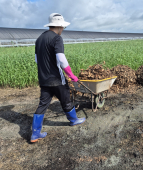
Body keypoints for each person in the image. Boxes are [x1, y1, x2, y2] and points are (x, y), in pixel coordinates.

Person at [31, 13, 86, 143]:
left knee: (43, 104)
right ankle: (74, 120)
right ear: (60, 26)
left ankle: (35, 133)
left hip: (43, 79)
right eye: (63, 28)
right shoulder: (56, 39)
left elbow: (37, 60)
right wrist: (71, 76)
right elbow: (61, 60)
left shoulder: (39, 39)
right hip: (56, 78)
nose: (63, 30)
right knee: (66, 98)